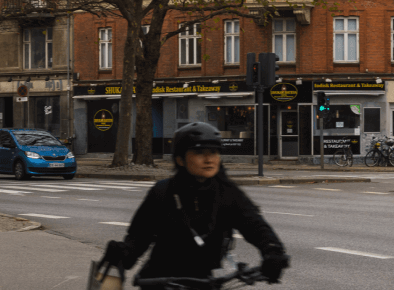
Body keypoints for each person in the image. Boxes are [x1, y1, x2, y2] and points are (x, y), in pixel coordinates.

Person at [101, 122, 289, 285]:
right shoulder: (163, 191)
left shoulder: (228, 193)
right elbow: (140, 235)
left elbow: (254, 224)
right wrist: (124, 253)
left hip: (206, 280)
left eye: (214, 152)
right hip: (162, 280)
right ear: (180, 159)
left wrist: (272, 252)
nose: (209, 159)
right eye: (199, 152)